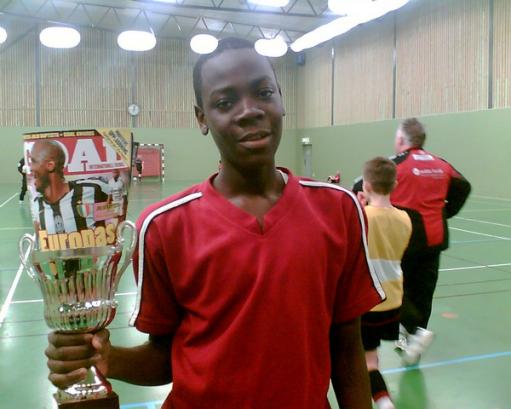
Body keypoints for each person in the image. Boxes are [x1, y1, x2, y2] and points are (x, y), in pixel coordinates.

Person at [45, 37, 385, 409]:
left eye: (264, 92)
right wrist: (105, 358)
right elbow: (166, 356)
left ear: (281, 100)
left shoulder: (338, 209)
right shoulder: (165, 226)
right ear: (202, 118)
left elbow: (346, 346)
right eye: (225, 102)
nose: (249, 111)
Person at [354, 118, 471, 365]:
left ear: (400, 140)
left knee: (397, 286)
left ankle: (413, 333)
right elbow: (463, 186)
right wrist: (444, 212)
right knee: (424, 290)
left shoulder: (396, 164)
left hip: (406, 237)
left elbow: (360, 185)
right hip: (435, 238)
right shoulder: (441, 164)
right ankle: (415, 340)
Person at [357, 157, 412, 409]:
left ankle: (382, 401)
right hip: (392, 302)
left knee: (365, 361)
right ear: (395, 185)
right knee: (372, 358)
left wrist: (360, 208)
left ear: (366, 185)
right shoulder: (405, 218)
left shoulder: (361, 216)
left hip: (367, 302)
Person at [29, 139, 109, 234]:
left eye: (33, 161)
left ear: (50, 165)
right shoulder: (36, 204)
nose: (30, 168)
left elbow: (118, 203)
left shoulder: (92, 189)